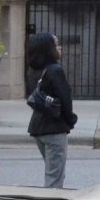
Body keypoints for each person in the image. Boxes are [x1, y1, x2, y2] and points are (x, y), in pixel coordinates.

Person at [24, 32, 76, 189]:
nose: (59, 47)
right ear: (48, 49)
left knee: (54, 173)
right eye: (56, 44)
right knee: (54, 179)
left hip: (38, 128)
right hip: (54, 129)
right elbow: (65, 100)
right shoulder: (55, 70)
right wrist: (70, 120)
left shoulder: (32, 71)